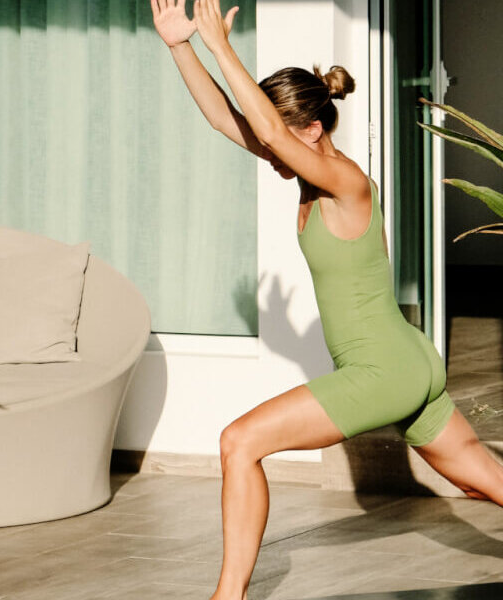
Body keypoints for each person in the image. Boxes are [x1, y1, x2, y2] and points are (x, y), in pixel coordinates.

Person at [150, 1, 503, 598]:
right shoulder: (312, 176)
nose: (272, 150)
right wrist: (180, 46)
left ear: (312, 129)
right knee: (487, 482)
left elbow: (263, 127)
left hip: (383, 369)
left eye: (284, 137)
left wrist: (222, 46)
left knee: (239, 442)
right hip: (407, 359)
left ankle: (226, 597)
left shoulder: (346, 182)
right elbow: (228, 120)